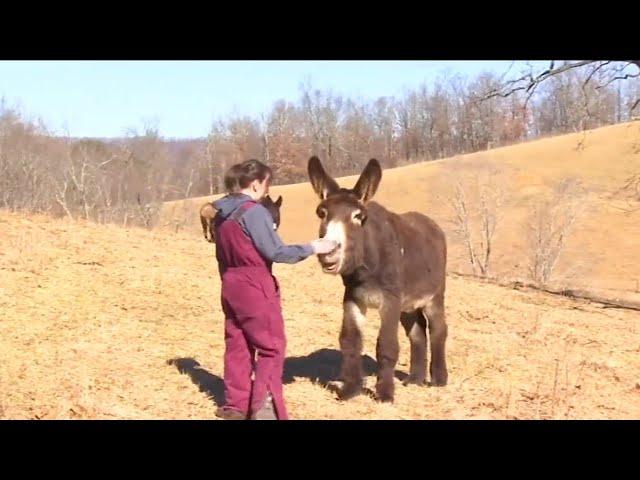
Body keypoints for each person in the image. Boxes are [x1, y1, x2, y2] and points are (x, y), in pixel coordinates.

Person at [212, 159, 336, 420]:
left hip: (230, 282)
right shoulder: (254, 212)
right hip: (254, 284)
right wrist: (314, 247)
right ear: (256, 184)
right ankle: (264, 408)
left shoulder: (221, 214)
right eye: (267, 185)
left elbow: (222, 256)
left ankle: (236, 406)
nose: (267, 191)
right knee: (271, 347)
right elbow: (277, 252)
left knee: (238, 345)